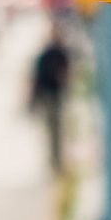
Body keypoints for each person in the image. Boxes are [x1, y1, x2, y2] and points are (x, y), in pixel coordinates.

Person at [31, 22, 73, 171]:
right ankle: (54, 160)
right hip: (49, 95)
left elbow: (67, 74)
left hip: (57, 95)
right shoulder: (48, 55)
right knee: (52, 129)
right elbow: (38, 77)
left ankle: (57, 159)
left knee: (57, 129)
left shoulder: (61, 54)